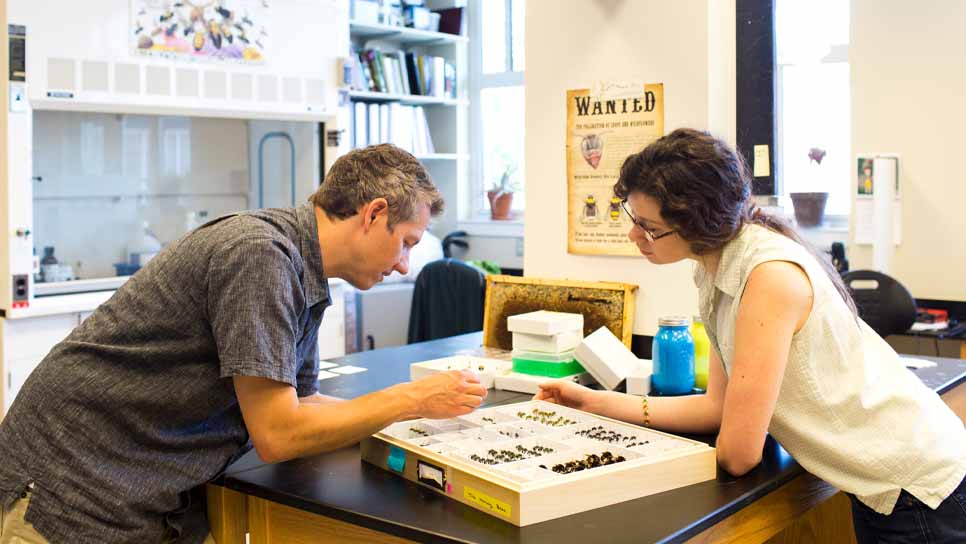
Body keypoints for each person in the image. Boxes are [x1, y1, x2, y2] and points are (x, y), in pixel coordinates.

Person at [0, 144, 488, 544]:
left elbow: (300, 403)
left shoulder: (304, 268)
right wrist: (410, 399)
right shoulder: (259, 255)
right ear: (374, 213)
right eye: (406, 242)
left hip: (147, 487)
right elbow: (279, 434)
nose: (404, 264)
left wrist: (403, 422)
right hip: (73, 490)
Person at [535, 129, 966, 543]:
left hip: (919, 489)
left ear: (696, 222)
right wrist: (592, 403)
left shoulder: (768, 276)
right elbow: (717, 408)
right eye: (634, 218)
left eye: (648, 226)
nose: (634, 235)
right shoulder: (714, 267)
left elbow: (739, 455)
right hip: (887, 488)